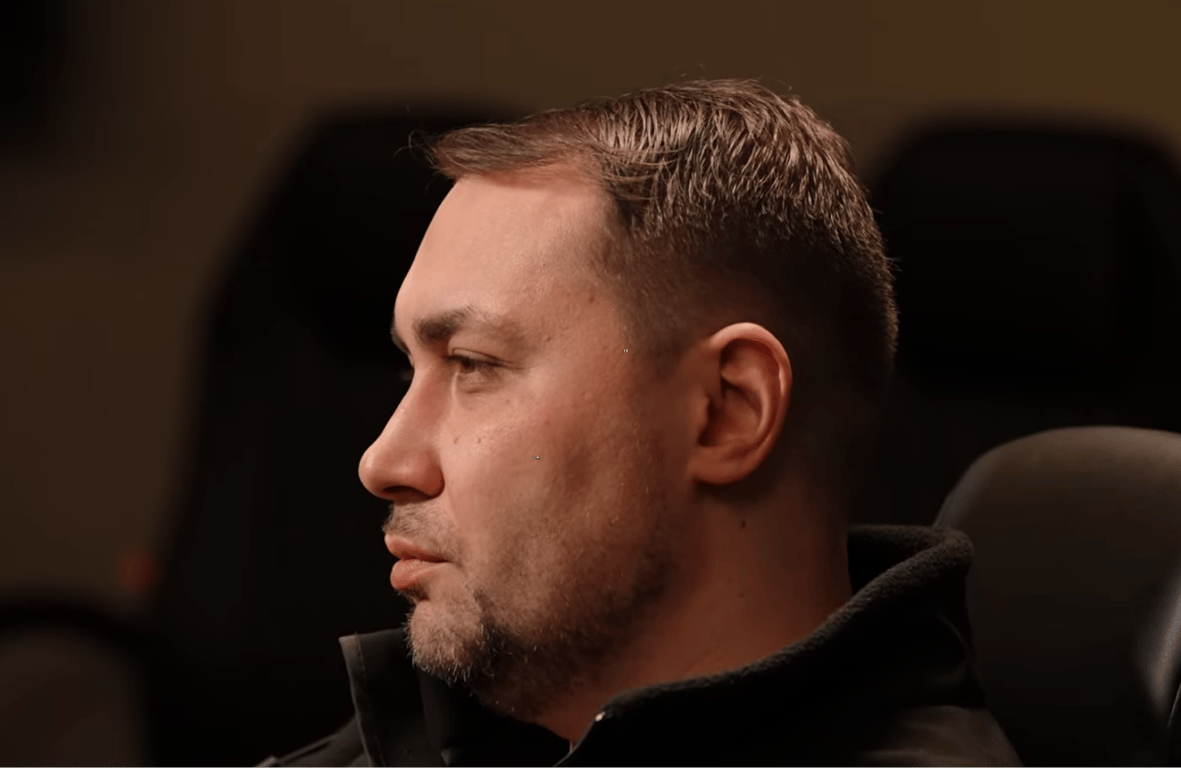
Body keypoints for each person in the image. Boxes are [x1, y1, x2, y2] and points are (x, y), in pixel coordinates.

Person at [258, 79, 1021, 767]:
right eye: (410, 369)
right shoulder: (444, 731)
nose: (382, 461)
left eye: (473, 364)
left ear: (727, 410)